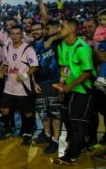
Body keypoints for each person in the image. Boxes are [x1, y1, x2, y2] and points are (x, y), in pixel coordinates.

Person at [56, 19, 96, 165]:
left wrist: (69, 86)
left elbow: (87, 73)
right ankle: (80, 145)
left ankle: (72, 156)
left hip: (82, 91)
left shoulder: (82, 47)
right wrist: (62, 83)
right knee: (68, 120)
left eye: (62, 27)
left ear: (72, 29)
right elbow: (64, 67)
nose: (59, 29)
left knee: (77, 125)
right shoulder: (62, 45)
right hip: (69, 89)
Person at [0, 25, 38, 145]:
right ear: (10, 35)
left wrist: (24, 76)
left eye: (17, 34)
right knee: (4, 109)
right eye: (13, 34)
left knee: (27, 112)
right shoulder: (8, 48)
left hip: (23, 87)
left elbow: (34, 66)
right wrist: (1, 72)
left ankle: (28, 133)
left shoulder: (28, 49)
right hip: (9, 86)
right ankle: (8, 129)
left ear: (22, 35)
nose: (15, 36)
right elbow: (6, 63)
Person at [31, 21, 62, 154]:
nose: (35, 32)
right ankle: (48, 137)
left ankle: (55, 141)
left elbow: (65, 33)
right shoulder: (30, 47)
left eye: (38, 29)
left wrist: (53, 37)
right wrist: (33, 83)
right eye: (33, 30)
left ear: (44, 30)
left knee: (56, 114)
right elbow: (30, 66)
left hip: (54, 82)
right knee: (43, 114)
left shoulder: (53, 42)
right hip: (39, 85)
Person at [93, 9, 106, 88]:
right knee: (104, 61)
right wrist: (104, 37)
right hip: (103, 45)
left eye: (104, 19)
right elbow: (95, 38)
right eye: (100, 20)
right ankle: (101, 78)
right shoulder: (99, 28)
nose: (102, 21)